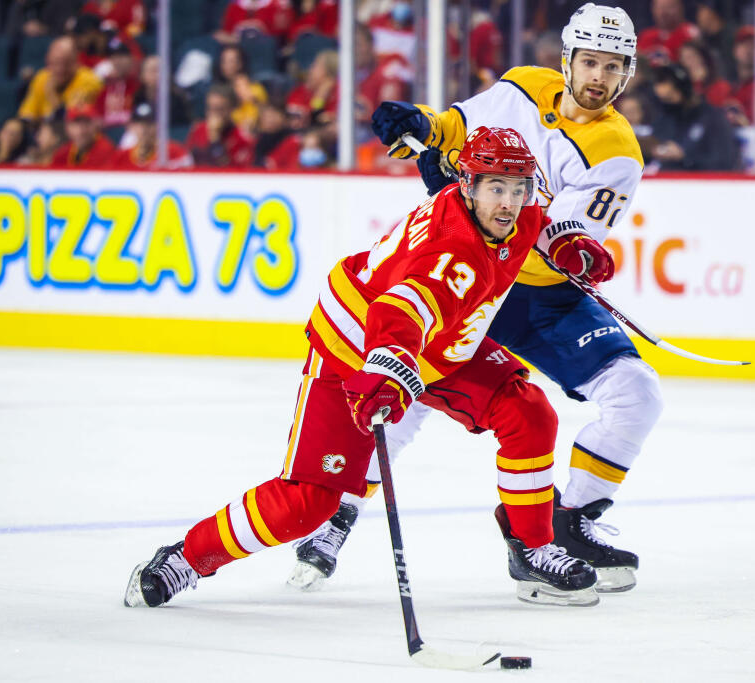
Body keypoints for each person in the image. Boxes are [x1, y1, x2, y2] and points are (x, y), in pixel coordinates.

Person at [124, 126, 614, 608]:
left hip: (439, 343)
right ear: (468, 187)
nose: (508, 203)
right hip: (356, 344)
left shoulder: (515, 207)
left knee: (527, 412)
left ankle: (531, 549)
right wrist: (387, 372)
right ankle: (187, 558)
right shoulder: (451, 255)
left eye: (518, 188)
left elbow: (538, 219)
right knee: (306, 504)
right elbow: (399, 311)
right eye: (496, 189)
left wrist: (564, 242)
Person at [290, 3, 663, 596]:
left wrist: (572, 247)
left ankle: (566, 523)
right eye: (589, 61)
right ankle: (338, 514)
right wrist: (422, 127)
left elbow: (546, 235)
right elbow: (458, 130)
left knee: (636, 393)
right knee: (407, 395)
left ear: (629, 73)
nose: (598, 77)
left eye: (612, 66)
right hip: (474, 274)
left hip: (537, 293)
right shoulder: (522, 84)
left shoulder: (617, 152)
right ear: (567, 60)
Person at [648, 63, 740, 170]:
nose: (667, 101)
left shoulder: (711, 118)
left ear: (683, 89)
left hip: (703, 183)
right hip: (666, 183)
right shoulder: (663, 120)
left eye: (671, 95)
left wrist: (685, 158)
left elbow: (724, 161)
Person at [17, 36, 103, 123]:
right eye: (55, 63)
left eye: (66, 63)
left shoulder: (89, 80)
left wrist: (51, 94)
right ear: (47, 61)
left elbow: (70, 120)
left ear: (76, 61)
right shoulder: (42, 77)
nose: (60, 69)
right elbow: (26, 115)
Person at [186, 84, 256, 168]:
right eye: (210, 108)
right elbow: (187, 162)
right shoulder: (198, 130)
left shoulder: (242, 139)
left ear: (232, 109)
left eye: (219, 109)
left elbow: (231, 173)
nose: (213, 114)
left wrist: (215, 138)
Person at [110, 101, 192, 169]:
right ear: (130, 127)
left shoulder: (176, 152)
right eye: (139, 124)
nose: (144, 128)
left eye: (149, 123)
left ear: (158, 125)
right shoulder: (121, 156)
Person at [49, 103, 116, 168]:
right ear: (67, 128)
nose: (81, 131)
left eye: (87, 123)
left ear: (96, 126)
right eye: (76, 124)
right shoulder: (63, 153)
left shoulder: (105, 149)